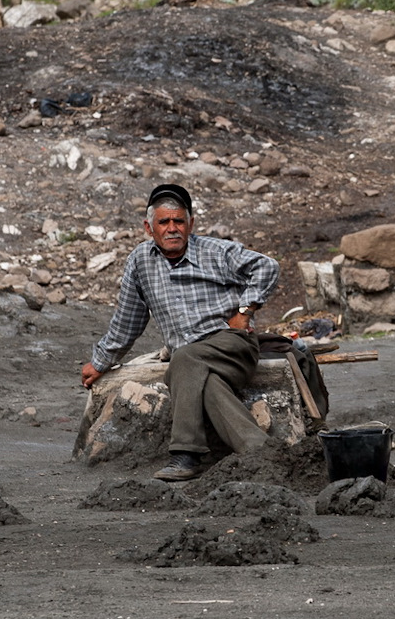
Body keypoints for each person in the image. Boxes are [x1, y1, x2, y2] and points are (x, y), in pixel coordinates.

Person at [80, 183, 280, 482]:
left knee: (184, 358)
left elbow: (267, 266)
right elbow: (128, 321)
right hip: (194, 360)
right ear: (149, 227)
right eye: (164, 222)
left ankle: (185, 455)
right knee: (205, 381)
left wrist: (244, 312)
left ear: (191, 224)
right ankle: (261, 452)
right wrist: (100, 361)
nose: (172, 228)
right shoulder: (140, 262)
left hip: (231, 345)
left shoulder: (215, 251)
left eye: (179, 221)